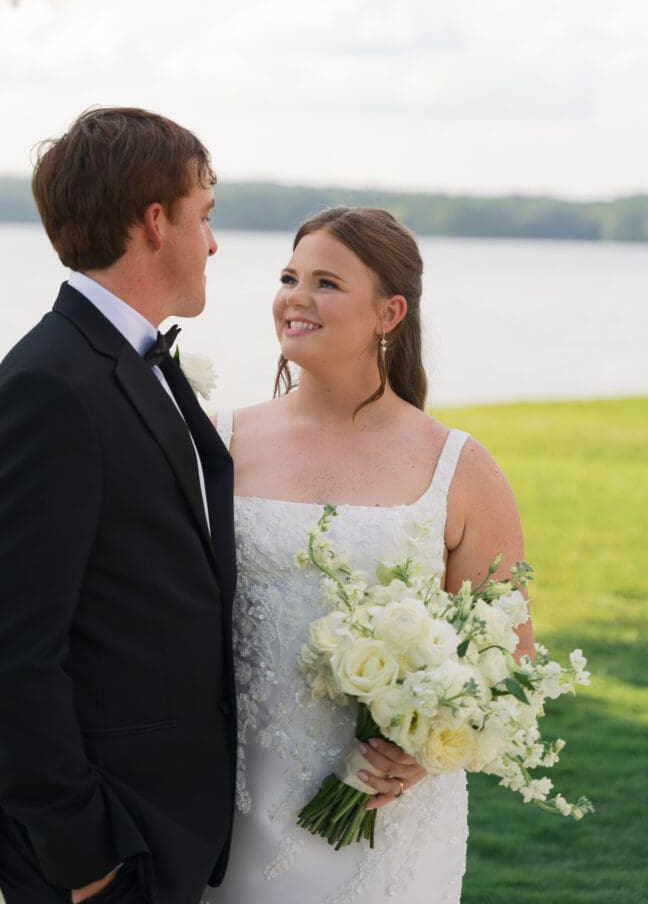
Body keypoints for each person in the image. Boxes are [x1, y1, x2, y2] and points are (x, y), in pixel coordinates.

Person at [0, 107, 237, 904]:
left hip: (160, 823)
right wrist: (85, 856)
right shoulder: (50, 385)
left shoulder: (125, 359)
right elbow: (8, 647)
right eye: (205, 216)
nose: (213, 243)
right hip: (103, 843)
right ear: (156, 222)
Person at [203, 206, 534, 904]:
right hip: (232, 805)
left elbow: (509, 658)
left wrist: (428, 749)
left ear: (390, 313)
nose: (295, 298)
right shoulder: (217, 442)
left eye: (325, 283)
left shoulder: (458, 467)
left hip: (387, 821)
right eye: (289, 277)